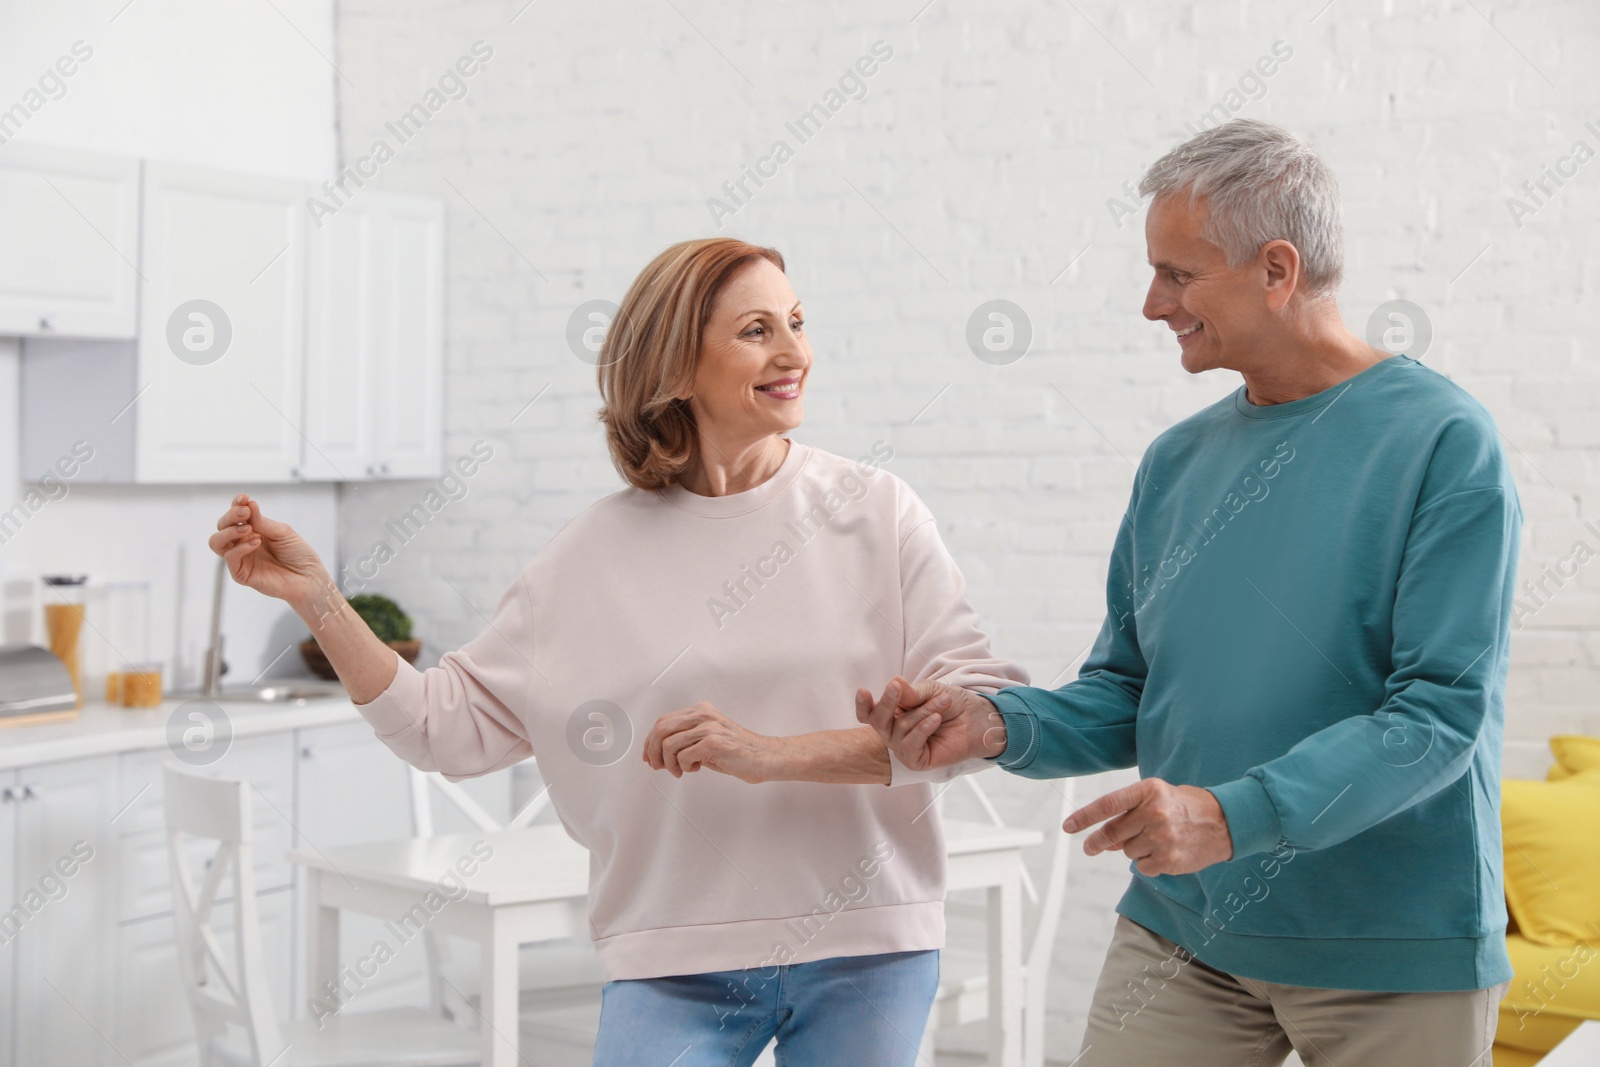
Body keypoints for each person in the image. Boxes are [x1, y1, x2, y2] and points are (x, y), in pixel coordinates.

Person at [208, 236, 1026, 1067]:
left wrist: (768, 753)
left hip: (868, 943)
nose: (795, 353)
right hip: (669, 959)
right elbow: (439, 727)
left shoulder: (876, 512)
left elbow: (984, 717)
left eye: (797, 322)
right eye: (757, 330)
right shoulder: (588, 556)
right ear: (676, 364)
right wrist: (319, 599)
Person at [857, 119, 1520, 1066]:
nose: (1151, 303)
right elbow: (1129, 688)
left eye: (1177, 274)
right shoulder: (1176, 464)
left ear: (1275, 270)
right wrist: (998, 723)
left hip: (1390, 945)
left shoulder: (1443, 443)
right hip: (1186, 933)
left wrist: (1228, 816)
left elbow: (1437, 718)